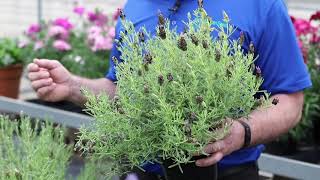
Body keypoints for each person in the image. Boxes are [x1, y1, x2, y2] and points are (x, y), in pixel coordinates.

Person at [27, 0, 311, 179]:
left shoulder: (262, 5)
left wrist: (240, 132)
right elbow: (122, 92)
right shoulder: (135, 7)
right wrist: (72, 87)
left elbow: (289, 101)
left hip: (227, 172)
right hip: (145, 171)